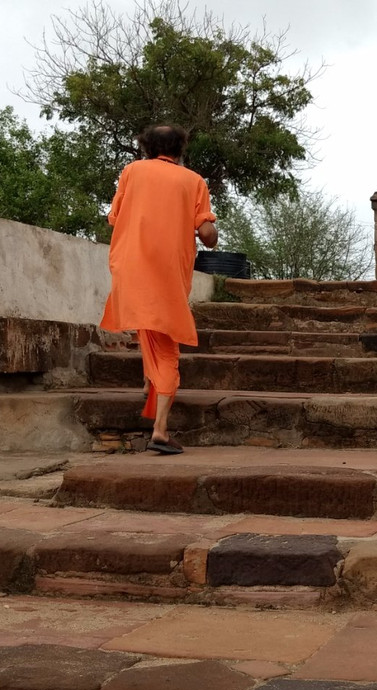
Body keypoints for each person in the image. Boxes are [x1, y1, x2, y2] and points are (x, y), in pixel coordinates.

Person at [100, 124, 218, 455]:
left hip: (130, 266)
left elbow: (115, 217)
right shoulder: (193, 181)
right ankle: (161, 430)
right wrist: (208, 229)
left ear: (147, 147)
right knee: (166, 349)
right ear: (180, 149)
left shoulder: (132, 171)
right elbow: (207, 235)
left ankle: (149, 381)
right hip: (166, 274)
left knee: (147, 324)